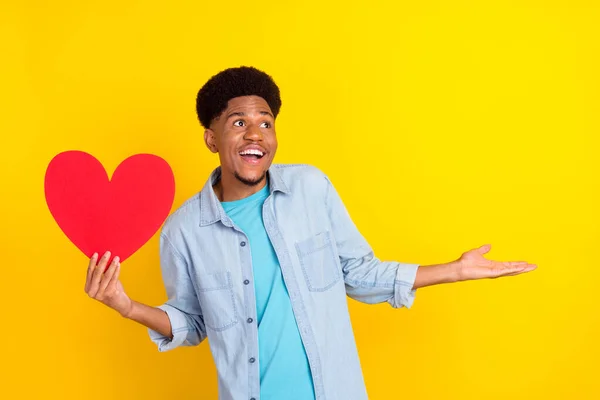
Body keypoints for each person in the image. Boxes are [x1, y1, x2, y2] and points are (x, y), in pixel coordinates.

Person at [84, 66, 537, 400]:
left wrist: (454, 270)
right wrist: (126, 307)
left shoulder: (311, 188)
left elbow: (358, 273)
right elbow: (191, 322)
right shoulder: (183, 231)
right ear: (211, 138)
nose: (255, 134)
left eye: (265, 122)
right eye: (239, 123)